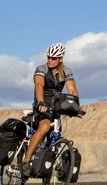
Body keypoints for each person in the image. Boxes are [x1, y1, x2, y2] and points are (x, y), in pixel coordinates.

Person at [21, 42, 79, 173]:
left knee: (55, 142)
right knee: (45, 126)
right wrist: (40, 102)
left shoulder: (66, 71)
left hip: (56, 107)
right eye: (49, 57)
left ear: (60, 59)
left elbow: (72, 89)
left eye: (54, 58)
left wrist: (76, 106)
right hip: (42, 105)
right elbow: (39, 86)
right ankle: (26, 160)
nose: (50, 60)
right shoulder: (41, 69)